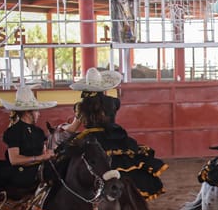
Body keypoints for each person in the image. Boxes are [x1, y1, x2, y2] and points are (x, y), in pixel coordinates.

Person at [64, 67, 167, 200]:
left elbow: (72, 128)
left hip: (92, 138)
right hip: (114, 136)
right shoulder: (113, 102)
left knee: (65, 159)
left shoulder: (80, 106)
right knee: (130, 160)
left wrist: (63, 128)